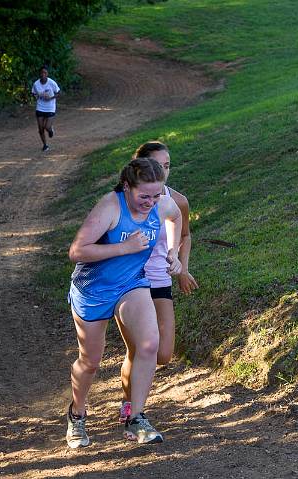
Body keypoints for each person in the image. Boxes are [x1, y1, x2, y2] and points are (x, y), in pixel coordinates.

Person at [66, 157, 183, 448]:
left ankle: (137, 417)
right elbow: (77, 251)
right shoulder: (110, 206)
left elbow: (176, 215)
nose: (151, 202)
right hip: (93, 290)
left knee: (148, 344)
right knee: (90, 362)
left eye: (157, 195)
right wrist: (124, 247)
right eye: (144, 195)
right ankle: (77, 415)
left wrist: (173, 252)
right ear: (128, 187)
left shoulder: (161, 204)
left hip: (132, 283)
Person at [117, 141, 199, 423]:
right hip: (129, 282)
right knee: (139, 348)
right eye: (156, 166)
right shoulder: (124, 201)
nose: (163, 172)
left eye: (167, 166)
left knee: (163, 353)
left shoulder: (177, 201)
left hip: (160, 279)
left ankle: (132, 403)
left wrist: (181, 266)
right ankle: (131, 408)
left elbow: (185, 234)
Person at [31, 65, 60, 152]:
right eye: (42, 72)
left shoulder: (52, 83)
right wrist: (36, 96)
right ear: (39, 74)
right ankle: (45, 145)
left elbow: (59, 93)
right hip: (40, 107)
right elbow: (33, 93)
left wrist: (50, 98)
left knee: (46, 127)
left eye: (45, 73)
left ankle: (50, 130)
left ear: (47, 74)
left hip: (50, 107)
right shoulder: (36, 84)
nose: (43, 74)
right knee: (40, 128)